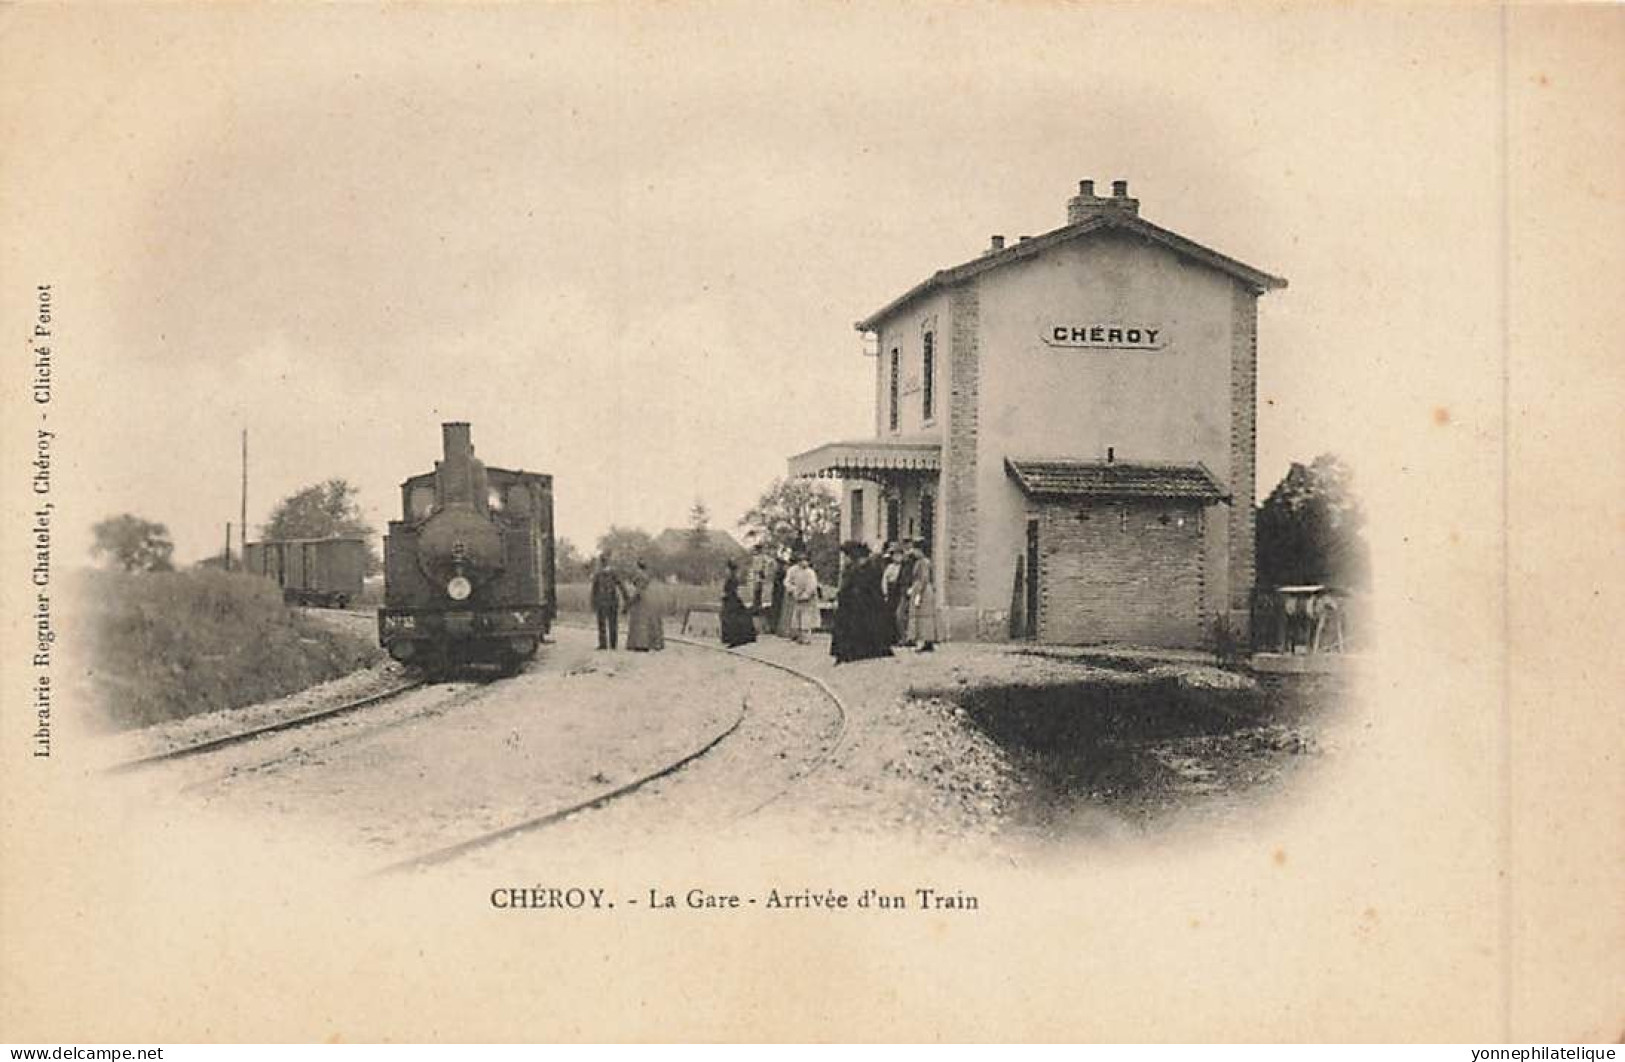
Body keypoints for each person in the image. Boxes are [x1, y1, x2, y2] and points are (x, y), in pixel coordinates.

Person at [831, 542, 893, 664]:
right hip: (851, 603)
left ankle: (859, 651)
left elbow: (870, 586)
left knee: (861, 626)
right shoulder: (851, 568)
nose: (846, 559)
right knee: (848, 627)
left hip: (863, 603)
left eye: (847, 556)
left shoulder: (868, 568)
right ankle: (846, 652)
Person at [623, 559, 665, 651]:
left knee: (641, 622)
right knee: (651, 621)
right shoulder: (648, 575)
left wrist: (628, 604)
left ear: (638, 566)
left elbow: (638, 591)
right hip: (653, 599)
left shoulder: (639, 576)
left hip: (643, 600)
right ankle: (654, 643)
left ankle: (641, 644)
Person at [905, 540, 940, 652]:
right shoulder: (920, 562)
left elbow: (924, 578)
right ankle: (926, 641)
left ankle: (927, 640)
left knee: (924, 615)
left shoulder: (924, 563)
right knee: (922, 615)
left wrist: (919, 593)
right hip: (921, 588)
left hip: (923, 590)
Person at [589, 553, 625, 650]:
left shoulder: (598, 574)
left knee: (602, 624)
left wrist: (593, 602)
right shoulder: (614, 573)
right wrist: (626, 599)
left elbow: (594, 590)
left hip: (602, 602)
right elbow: (622, 586)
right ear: (608, 561)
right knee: (613, 623)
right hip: (612, 601)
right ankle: (613, 644)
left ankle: (603, 644)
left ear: (601, 562)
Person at [782, 553, 821, 644]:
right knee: (797, 616)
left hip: (808, 599)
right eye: (801, 561)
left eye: (805, 561)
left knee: (807, 617)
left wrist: (806, 594)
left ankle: (806, 637)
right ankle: (798, 635)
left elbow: (812, 585)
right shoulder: (792, 570)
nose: (803, 563)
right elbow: (787, 581)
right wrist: (793, 590)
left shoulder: (810, 572)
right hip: (796, 595)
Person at [719, 560, 758, 648]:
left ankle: (734, 639)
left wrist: (724, 595)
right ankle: (733, 638)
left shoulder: (731, 579)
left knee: (730, 619)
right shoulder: (732, 578)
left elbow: (732, 591)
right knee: (729, 618)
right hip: (731, 600)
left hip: (731, 601)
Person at [894, 540, 918, 646]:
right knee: (902, 615)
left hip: (910, 590)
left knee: (904, 615)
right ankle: (905, 637)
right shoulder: (905, 561)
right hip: (903, 590)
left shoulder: (913, 560)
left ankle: (908, 638)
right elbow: (901, 576)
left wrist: (912, 587)